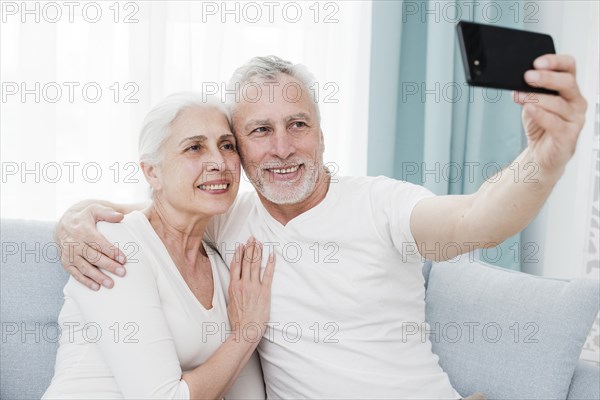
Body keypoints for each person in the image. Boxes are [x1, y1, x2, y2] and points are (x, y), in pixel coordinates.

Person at [55, 55, 587, 399]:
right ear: (241, 152)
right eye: (261, 131)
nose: (283, 148)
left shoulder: (381, 206)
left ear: (322, 134)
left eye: (298, 126)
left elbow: (476, 222)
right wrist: (75, 218)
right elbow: (163, 209)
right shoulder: (228, 219)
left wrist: (545, 158)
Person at [44, 93, 275, 399]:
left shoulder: (222, 267)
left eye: (226, 145)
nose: (219, 162)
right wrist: (246, 333)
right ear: (152, 172)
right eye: (194, 147)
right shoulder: (115, 246)